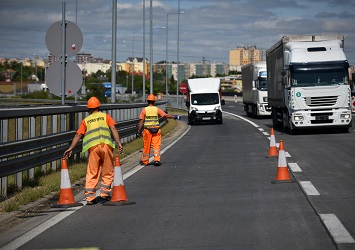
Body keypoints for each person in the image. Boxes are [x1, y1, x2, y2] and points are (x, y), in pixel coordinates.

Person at [63, 96, 123, 205]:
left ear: (89, 109)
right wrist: (118, 142)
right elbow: (113, 128)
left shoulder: (86, 121)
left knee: (92, 171)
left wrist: (71, 147)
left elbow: (78, 135)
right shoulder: (106, 116)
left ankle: (90, 197)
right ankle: (104, 194)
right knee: (108, 170)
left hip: (93, 148)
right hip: (106, 146)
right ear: (99, 107)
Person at [138, 94, 181, 166]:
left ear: (147, 101)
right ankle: (157, 160)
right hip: (156, 130)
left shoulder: (144, 110)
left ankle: (145, 161)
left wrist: (139, 130)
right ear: (154, 102)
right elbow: (166, 115)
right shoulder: (157, 109)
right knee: (156, 146)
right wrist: (175, 117)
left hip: (147, 131)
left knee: (147, 146)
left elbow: (141, 121)